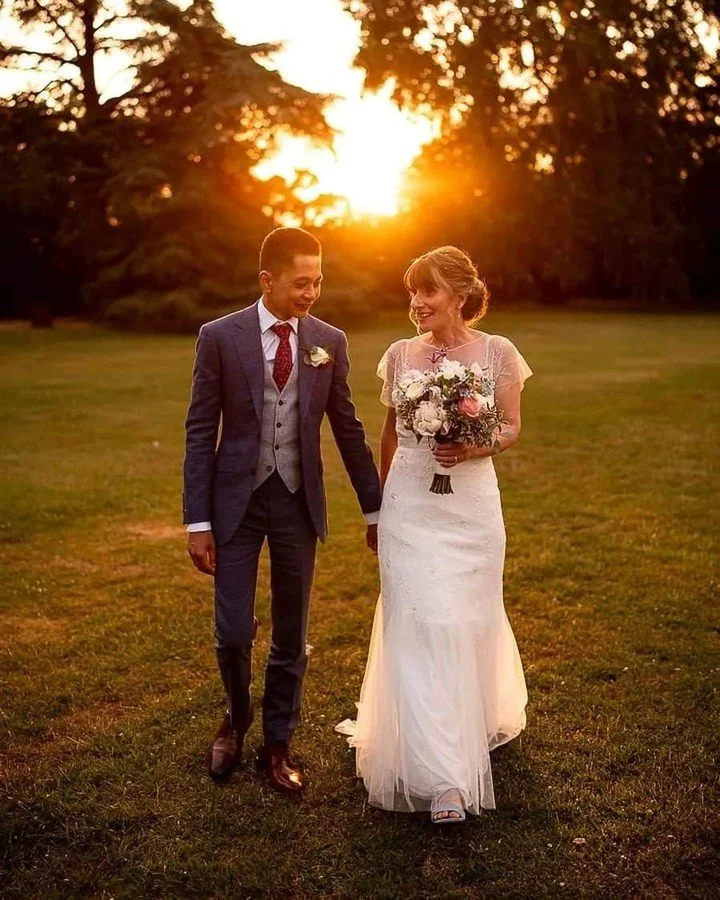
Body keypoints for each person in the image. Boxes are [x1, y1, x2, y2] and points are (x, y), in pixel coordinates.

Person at [337, 246, 531, 823]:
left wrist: (476, 446)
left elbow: (514, 427)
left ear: (460, 296)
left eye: (429, 292)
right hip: (410, 506)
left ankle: (469, 720)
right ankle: (444, 777)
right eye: (413, 292)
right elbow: (391, 435)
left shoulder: (498, 353)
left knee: (465, 618)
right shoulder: (399, 356)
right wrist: (378, 510)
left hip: (471, 507)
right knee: (421, 621)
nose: (418, 304)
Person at [183, 226, 381, 793]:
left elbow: (348, 428)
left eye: (318, 281)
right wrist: (198, 521)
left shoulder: (328, 340)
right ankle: (235, 720)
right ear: (267, 280)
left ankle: (278, 741)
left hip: (297, 502)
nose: (312, 292)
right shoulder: (220, 336)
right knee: (232, 632)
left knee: (291, 632)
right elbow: (201, 429)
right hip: (234, 508)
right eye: (301, 282)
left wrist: (375, 509)